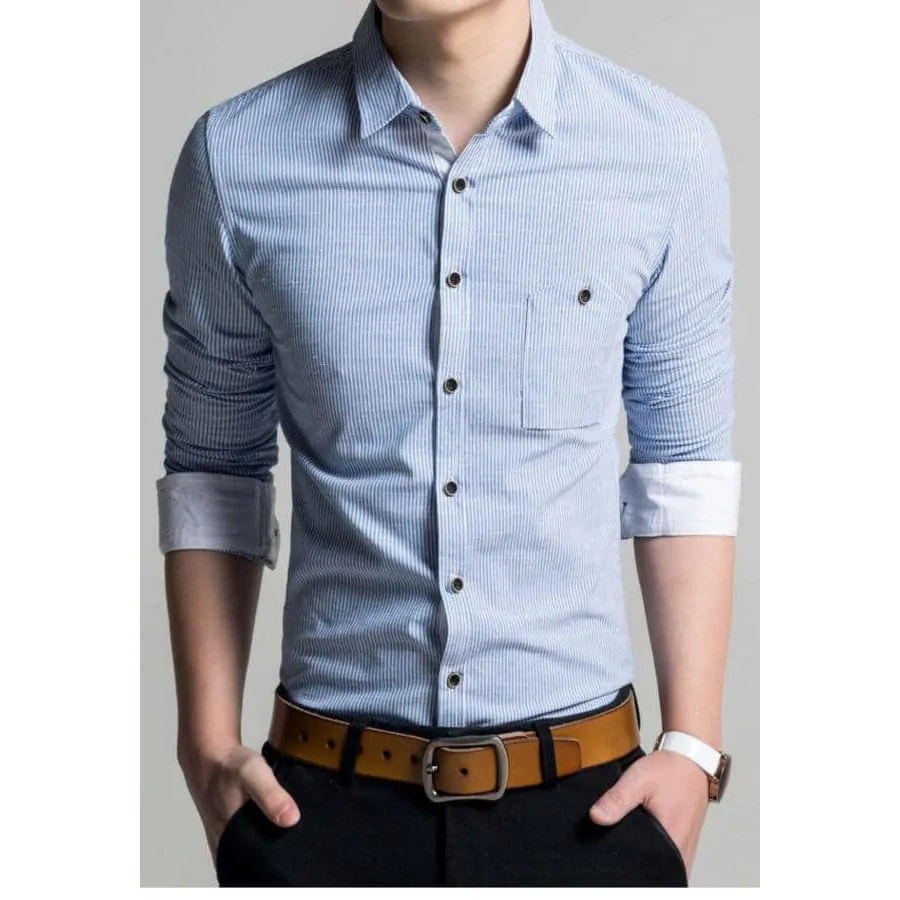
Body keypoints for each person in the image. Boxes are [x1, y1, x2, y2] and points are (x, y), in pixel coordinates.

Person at [156, 0, 741, 887]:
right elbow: (214, 466)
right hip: (318, 810)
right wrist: (204, 746)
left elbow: (681, 468)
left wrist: (693, 748)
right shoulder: (236, 157)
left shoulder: (663, 150)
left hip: (589, 810)